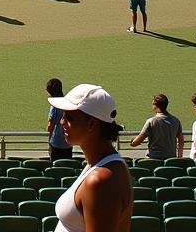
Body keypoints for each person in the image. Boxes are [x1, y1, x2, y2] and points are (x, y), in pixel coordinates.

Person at [46, 83, 133, 232]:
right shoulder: (100, 166)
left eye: (69, 118)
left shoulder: (101, 180)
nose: (62, 122)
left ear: (91, 124)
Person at [129, 93, 183, 159]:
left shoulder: (151, 121)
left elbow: (137, 141)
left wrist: (132, 143)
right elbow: (181, 141)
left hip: (153, 158)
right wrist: (180, 156)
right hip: (170, 158)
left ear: (155, 106)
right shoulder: (176, 121)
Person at [45, 78, 73, 161]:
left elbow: (51, 125)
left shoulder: (54, 106)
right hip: (68, 142)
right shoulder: (68, 103)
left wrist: (49, 139)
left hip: (56, 143)